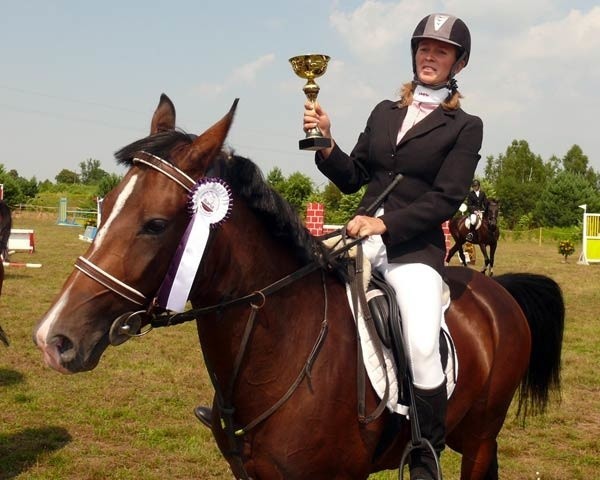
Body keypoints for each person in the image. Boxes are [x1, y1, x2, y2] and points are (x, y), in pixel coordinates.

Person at [302, 13, 482, 480]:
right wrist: (325, 143)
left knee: (422, 341)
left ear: (457, 64)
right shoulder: (384, 112)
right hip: (356, 235)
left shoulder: (464, 126)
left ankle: (425, 452)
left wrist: (385, 227)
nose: (430, 55)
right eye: (424, 47)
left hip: (412, 250)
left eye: (441, 51)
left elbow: (448, 197)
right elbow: (354, 176)